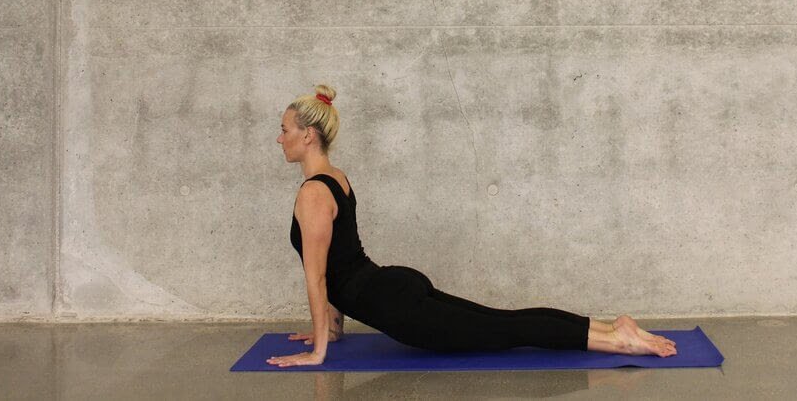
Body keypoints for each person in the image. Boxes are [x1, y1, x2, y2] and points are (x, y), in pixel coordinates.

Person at [267, 84, 677, 368]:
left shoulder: (312, 194)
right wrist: (334, 331)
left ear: (308, 136)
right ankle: (609, 329)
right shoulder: (335, 178)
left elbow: (319, 277)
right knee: (504, 321)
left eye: (285, 130)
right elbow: (337, 263)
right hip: (393, 287)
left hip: (397, 307)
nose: (279, 138)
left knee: (506, 330)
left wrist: (319, 351)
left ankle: (615, 339)